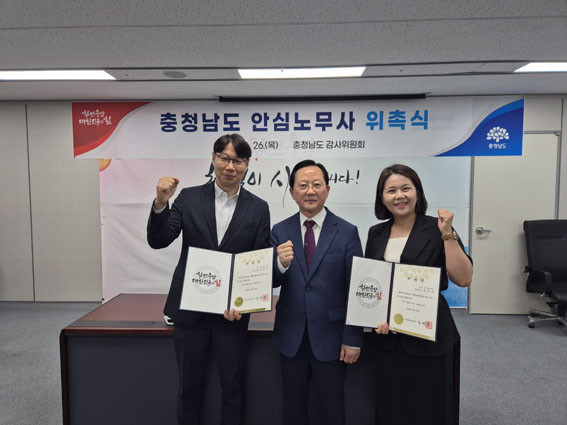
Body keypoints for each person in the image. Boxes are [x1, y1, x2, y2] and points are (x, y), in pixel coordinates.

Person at [147, 134, 270, 425]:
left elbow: (258, 261)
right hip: (190, 313)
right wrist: (161, 203)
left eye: (237, 161)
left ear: (247, 164)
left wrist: (245, 303)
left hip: (232, 314)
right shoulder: (188, 197)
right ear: (213, 159)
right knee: (189, 387)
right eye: (224, 158)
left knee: (233, 387)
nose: (230, 166)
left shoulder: (258, 207)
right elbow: (159, 240)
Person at [366, 164, 473, 425]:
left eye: (406, 188)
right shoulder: (376, 233)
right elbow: (373, 281)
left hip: (428, 335)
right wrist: (372, 316)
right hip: (388, 339)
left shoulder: (439, 228)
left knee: (428, 407)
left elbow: (463, 278)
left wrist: (447, 234)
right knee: (392, 407)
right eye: (391, 190)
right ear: (382, 198)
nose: (399, 196)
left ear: (417, 192)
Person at [271, 159, 363, 425]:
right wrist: (280, 264)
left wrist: (353, 338)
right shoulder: (280, 230)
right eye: (303, 185)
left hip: (332, 338)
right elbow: (270, 281)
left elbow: (356, 288)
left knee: (332, 410)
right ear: (292, 192)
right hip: (291, 337)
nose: (310, 191)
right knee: (293, 410)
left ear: (327, 189)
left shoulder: (347, 231)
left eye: (316, 185)